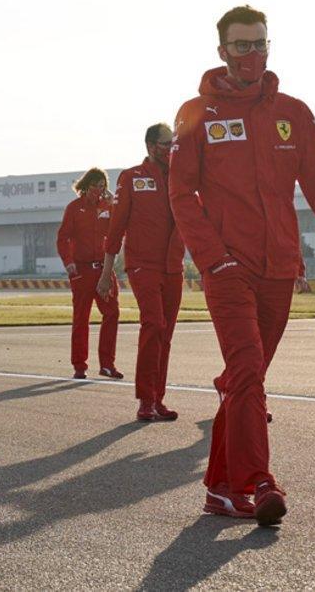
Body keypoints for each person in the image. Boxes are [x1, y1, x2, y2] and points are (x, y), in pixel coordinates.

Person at [168, 5, 315, 526]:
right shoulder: (197, 113)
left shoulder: (293, 113)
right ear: (222, 52)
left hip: (280, 267)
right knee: (248, 371)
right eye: (242, 45)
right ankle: (258, 482)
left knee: (244, 378)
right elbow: (181, 193)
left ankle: (218, 488)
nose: (253, 54)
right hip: (228, 269)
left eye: (261, 44)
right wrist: (212, 259)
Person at [99, 124, 185, 422]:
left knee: (167, 333)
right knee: (154, 324)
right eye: (165, 143)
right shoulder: (131, 177)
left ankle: (158, 399)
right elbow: (116, 226)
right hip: (142, 265)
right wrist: (106, 273)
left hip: (173, 267)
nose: (171, 148)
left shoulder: (181, 176)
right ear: (150, 146)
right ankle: (145, 400)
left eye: (174, 142)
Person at [57, 168, 121, 380]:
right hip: (82, 271)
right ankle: (79, 365)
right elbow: (63, 238)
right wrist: (69, 263)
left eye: (103, 186)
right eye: (95, 185)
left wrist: (114, 206)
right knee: (81, 317)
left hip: (104, 269)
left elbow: (118, 231)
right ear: (86, 186)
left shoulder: (107, 207)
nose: (99, 190)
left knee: (112, 313)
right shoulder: (74, 208)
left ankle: (107, 364)